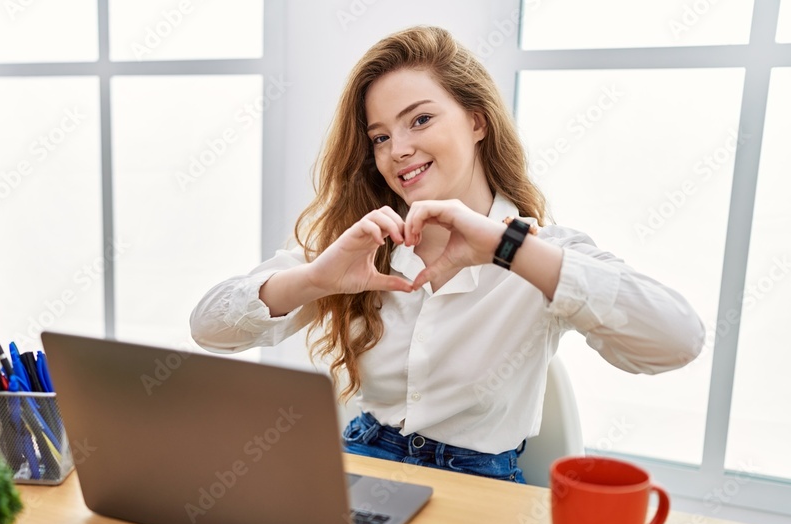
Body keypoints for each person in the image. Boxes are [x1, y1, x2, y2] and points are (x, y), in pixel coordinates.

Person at [189, 25, 704, 484]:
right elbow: (208, 327)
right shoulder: (362, 240)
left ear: (477, 121)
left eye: (421, 120)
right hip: (360, 464)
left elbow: (677, 339)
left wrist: (509, 251)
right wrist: (315, 278)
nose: (398, 150)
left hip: (480, 488)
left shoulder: (539, 249)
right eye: (381, 137)